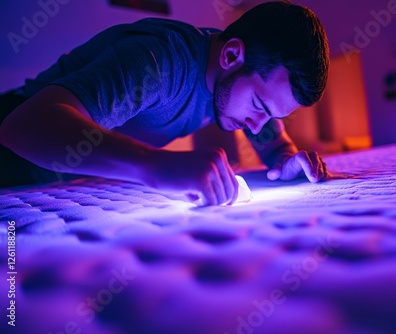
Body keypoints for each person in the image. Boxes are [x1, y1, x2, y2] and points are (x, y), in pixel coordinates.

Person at [0, 1, 330, 206]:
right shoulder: (158, 61)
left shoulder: (243, 76)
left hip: (65, 178)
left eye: (272, 114)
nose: (258, 125)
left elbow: (275, 148)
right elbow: (22, 127)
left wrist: (288, 161)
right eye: (259, 105)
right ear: (231, 55)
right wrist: (155, 165)